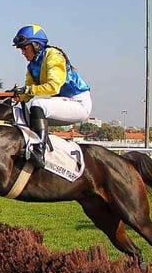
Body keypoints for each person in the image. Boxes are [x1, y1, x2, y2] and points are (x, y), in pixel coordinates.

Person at [10, 24, 91, 168]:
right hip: (62, 101)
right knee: (21, 114)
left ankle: (39, 153)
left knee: (38, 105)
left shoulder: (53, 56)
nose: (22, 52)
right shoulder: (32, 66)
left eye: (24, 48)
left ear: (36, 45)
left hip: (78, 103)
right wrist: (13, 96)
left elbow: (53, 86)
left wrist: (26, 90)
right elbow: (28, 93)